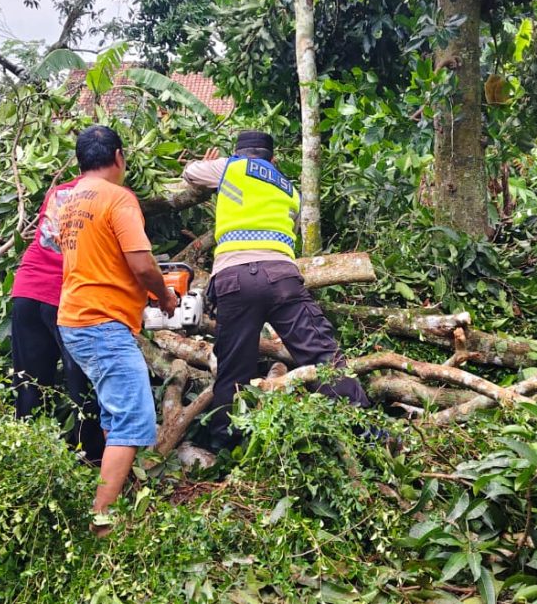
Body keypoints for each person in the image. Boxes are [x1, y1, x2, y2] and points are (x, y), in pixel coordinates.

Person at [182, 130, 371, 452]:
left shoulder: (231, 167)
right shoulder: (290, 189)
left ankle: (224, 445)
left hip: (234, 279)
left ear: (238, 153)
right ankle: (367, 431)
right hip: (281, 277)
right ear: (273, 159)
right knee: (323, 355)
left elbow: (190, 174)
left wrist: (210, 163)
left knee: (232, 368)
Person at [55, 125, 178, 534]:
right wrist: (164, 296)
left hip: (74, 317)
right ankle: (102, 521)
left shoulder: (70, 200)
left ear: (80, 161)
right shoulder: (119, 198)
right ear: (119, 157)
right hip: (101, 321)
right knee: (133, 417)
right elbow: (142, 265)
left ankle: (115, 492)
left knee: (114, 411)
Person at [10, 172, 104, 465]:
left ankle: (27, 457)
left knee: (29, 383)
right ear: (116, 159)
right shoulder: (108, 196)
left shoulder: (59, 193)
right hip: (67, 295)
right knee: (82, 379)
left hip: (27, 289)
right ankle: (89, 457)